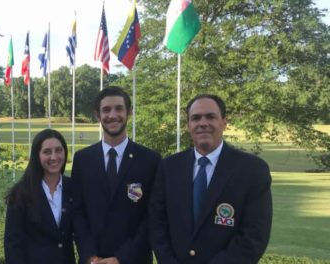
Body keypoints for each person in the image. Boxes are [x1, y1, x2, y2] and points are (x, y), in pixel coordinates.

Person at [150, 94, 272, 264]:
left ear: (224, 122)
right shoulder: (169, 167)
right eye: (196, 118)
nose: (203, 123)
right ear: (188, 126)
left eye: (210, 117)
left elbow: (254, 235)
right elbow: (157, 224)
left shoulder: (252, 170)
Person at [71, 86, 161, 264]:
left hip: (134, 260)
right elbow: (77, 213)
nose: (112, 115)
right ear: (98, 115)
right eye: (106, 110)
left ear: (129, 112)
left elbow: (153, 216)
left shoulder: (150, 160)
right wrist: (91, 257)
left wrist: (121, 258)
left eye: (119, 108)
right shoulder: (83, 159)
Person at [4, 129, 75, 264]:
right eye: (47, 152)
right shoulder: (20, 193)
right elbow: (12, 244)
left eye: (58, 150)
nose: (54, 157)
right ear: (37, 155)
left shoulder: (73, 188)